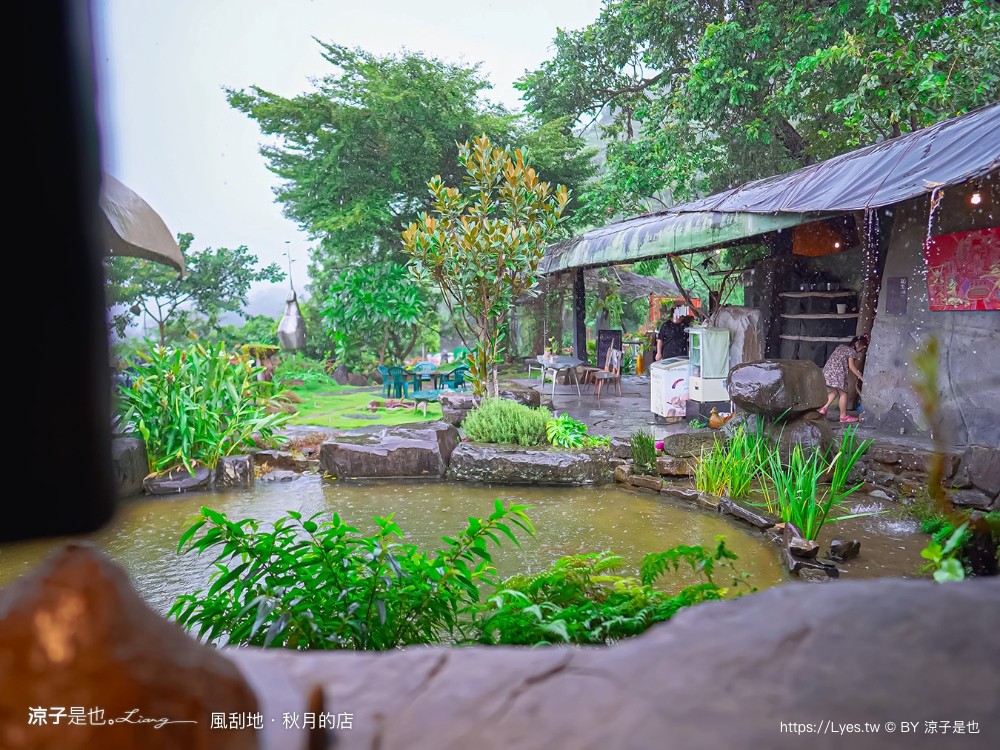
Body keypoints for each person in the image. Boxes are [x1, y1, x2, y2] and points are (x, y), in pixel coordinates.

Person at [819, 335, 869, 422]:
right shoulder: (851, 352)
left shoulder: (841, 346)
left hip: (828, 371)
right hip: (838, 373)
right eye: (862, 348)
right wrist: (861, 377)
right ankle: (843, 416)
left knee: (835, 391)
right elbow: (852, 366)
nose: (860, 351)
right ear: (858, 344)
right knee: (843, 394)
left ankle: (823, 408)